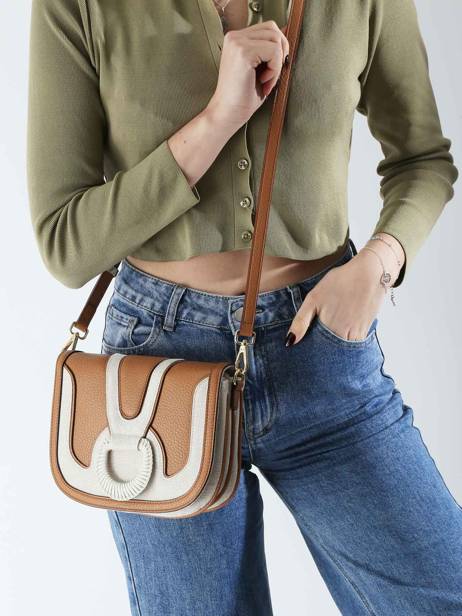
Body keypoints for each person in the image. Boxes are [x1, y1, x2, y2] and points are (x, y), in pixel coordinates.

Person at [26, 0, 462, 614]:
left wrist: (379, 264)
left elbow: (422, 159)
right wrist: (219, 118)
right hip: (158, 376)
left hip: (321, 353)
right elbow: (64, 243)